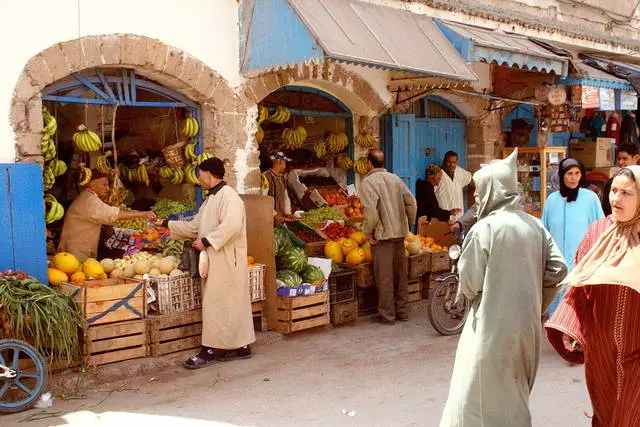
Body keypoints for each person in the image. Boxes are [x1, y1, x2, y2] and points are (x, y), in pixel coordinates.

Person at [439, 149, 567, 427]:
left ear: (492, 190)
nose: (475, 196)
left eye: (479, 190)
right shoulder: (535, 225)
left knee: (474, 403)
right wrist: (535, 303)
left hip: (489, 330)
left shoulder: (484, 229)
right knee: (514, 399)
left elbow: (470, 285)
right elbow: (558, 270)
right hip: (526, 330)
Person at [545, 166, 640, 426]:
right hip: (602, 350)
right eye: (615, 191)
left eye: (627, 193)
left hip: (637, 345)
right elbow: (579, 285)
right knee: (607, 414)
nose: (616, 199)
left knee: (630, 415)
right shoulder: (598, 232)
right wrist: (569, 327)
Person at [157, 158, 255, 369]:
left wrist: (207, 241)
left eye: (200, 174)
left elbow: (231, 226)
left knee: (220, 303)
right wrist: (167, 224)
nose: (198, 178)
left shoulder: (230, 198)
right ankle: (240, 346)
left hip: (228, 259)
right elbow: (195, 227)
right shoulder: (211, 200)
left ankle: (210, 349)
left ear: (208, 173)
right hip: (217, 259)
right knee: (228, 303)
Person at [360, 149, 417, 324]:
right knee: (400, 275)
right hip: (399, 234)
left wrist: (368, 233)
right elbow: (412, 203)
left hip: (382, 237)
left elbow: (371, 214)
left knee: (384, 278)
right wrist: (408, 223)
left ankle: (388, 315)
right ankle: (403, 312)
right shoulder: (395, 179)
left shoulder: (368, 182)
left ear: (369, 162)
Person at [542, 158, 604, 317]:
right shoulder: (552, 200)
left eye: (577, 173)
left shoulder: (590, 199)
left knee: (579, 315)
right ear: (562, 175)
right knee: (556, 314)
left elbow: (601, 230)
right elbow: (544, 233)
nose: (573, 177)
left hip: (582, 265)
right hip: (557, 267)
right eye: (569, 173)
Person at [58, 170, 156, 261]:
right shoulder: (89, 200)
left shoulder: (87, 196)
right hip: (76, 251)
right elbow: (112, 214)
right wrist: (143, 214)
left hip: (76, 247)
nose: (107, 188)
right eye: (104, 185)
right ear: (92, 184)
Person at [601, 143, 640, 215]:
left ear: (636, 158)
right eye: (619, 158)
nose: (620, 162)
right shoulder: (611, 182)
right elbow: (607, 210)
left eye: (625, 158)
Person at [435, 151, 472, 221]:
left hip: (459, 219)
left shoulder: (459, 171)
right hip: (444, 219)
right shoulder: (438, 174)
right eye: (449, 162)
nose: (451, 165)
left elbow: (471, 179)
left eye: (454, 162)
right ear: (444, 161)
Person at [261, 152, 296, 224]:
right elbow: (263, 199)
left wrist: (288, 213)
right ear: (280, 162)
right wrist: (274, 214)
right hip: (268, 219)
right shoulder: (265, 177)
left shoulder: (282, 178)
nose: (286, 165)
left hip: (280, 219)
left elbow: (285, 197)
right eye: (285, 162)